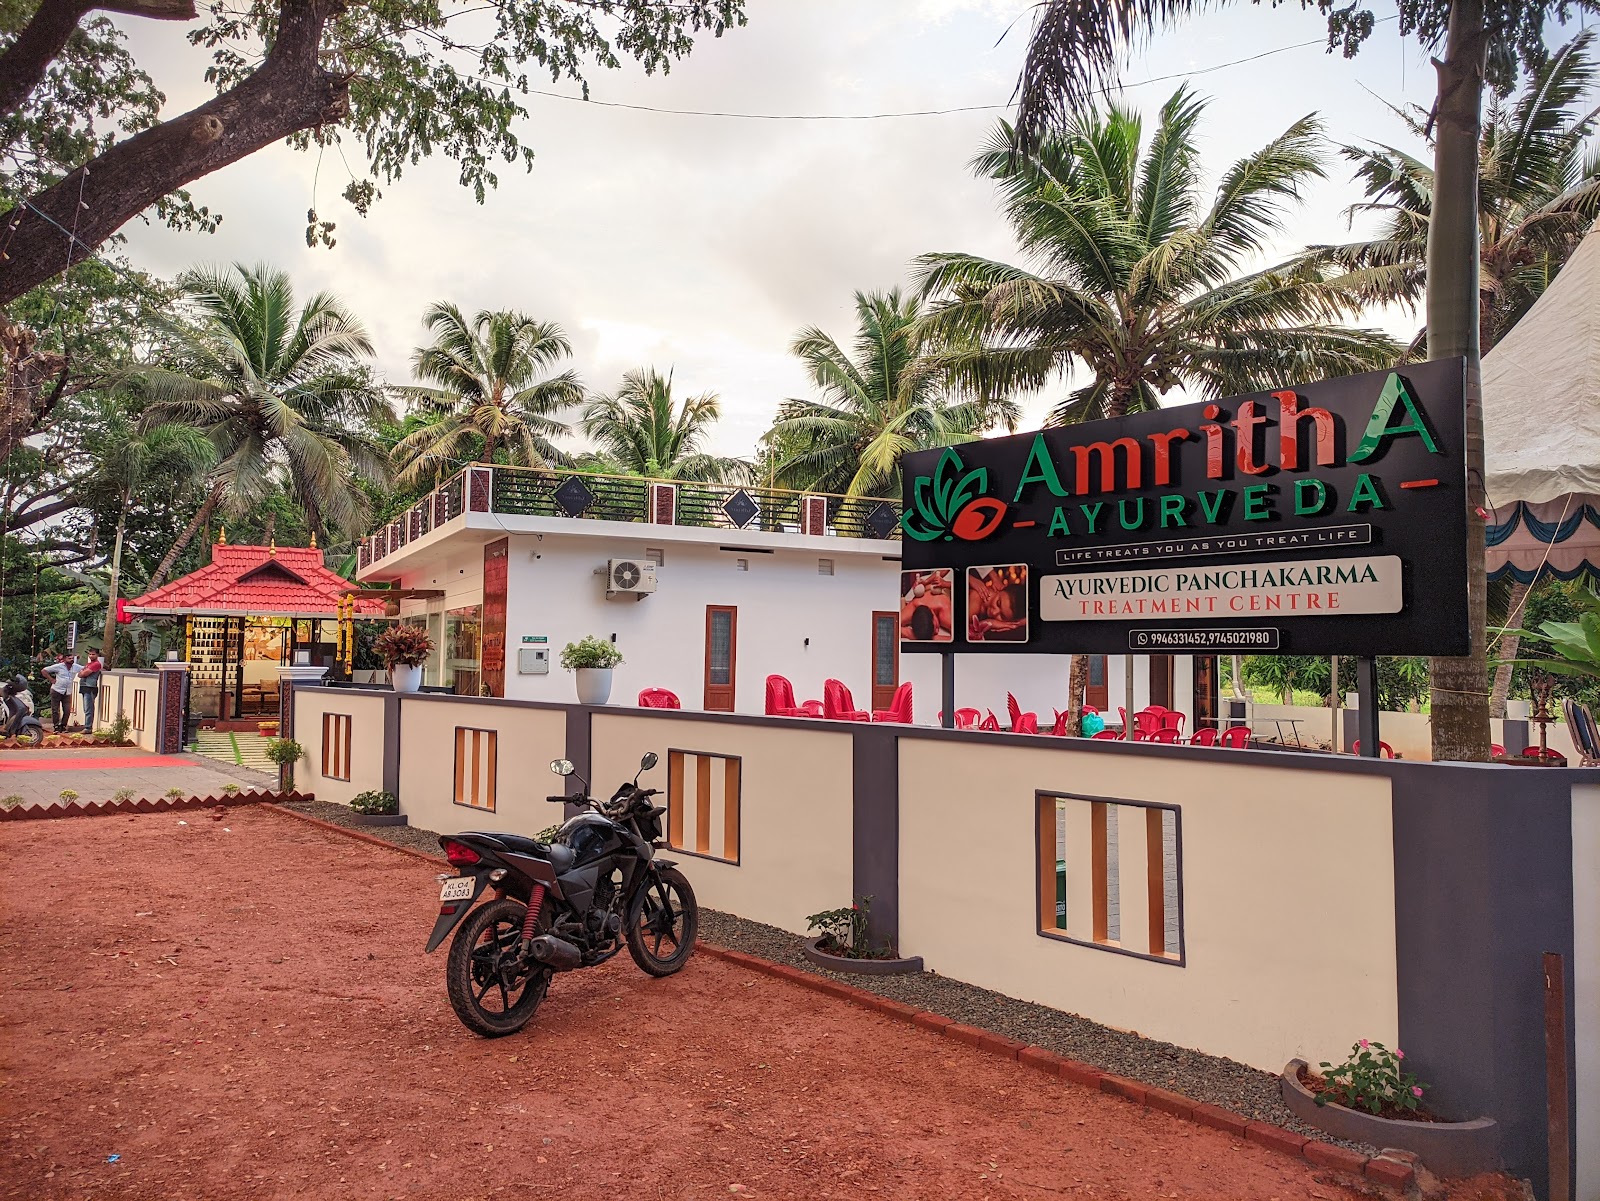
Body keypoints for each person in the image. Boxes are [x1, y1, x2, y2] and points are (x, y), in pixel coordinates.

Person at [41, 652, 82, 733]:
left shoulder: (75, 667)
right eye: (69, 658)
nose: (71, 660)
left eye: (72, 658)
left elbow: (85, 668)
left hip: (67, 691)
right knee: (55, 709)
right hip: (57, 690)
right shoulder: (59, 666)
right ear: (64, 659)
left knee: (67, 710)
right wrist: (51, 679)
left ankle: (63, 726)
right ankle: (56, 726)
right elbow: (44, 670)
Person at [77, 649, 103, 732]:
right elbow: (79, 674)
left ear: (97, 655)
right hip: (84, 686)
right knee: (86, 708)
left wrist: (82, 672)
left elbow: (83, 674)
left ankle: (88, 727)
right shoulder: (88, 664)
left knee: (89, 708)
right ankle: (87, 726)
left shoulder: (96, 664)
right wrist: (82, 672)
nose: (91, 656)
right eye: (90, 654)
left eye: (93, 654)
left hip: (90, 687)